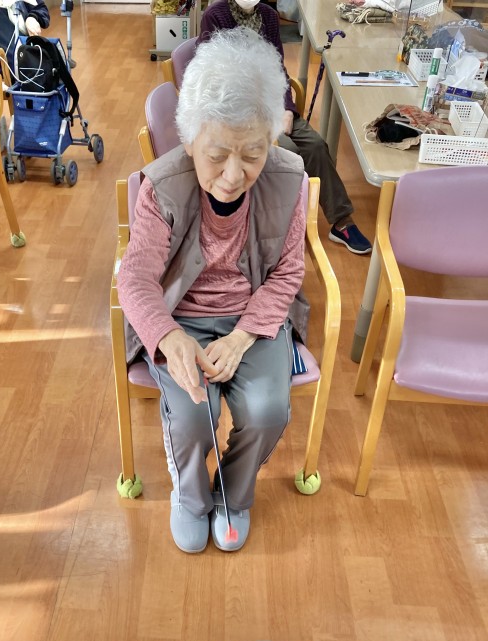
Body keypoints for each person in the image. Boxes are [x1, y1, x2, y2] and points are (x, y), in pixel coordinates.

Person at [117, 28, 307, 553]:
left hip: (253, 319)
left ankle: (233, 495)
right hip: (181, 318)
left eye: (253, 153)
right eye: (217, 154)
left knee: (267, 411)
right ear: (190, 139)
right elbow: (135, 277)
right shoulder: (162, 186)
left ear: (271, 140)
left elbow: (288, 272)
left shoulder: (289, 179)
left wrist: (243, 337)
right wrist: (169, 338)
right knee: (193, 418)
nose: (233, 174)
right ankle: (191, 497)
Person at [198, 0, 373, 256]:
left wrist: (288, 109)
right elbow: (211, 76)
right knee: (289, 151)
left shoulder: (268, 16)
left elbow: (278, 69)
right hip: (236, 113)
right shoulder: (215, 15)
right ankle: (284, 224)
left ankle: (341, 221)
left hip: (272, 106)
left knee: (316, 146)